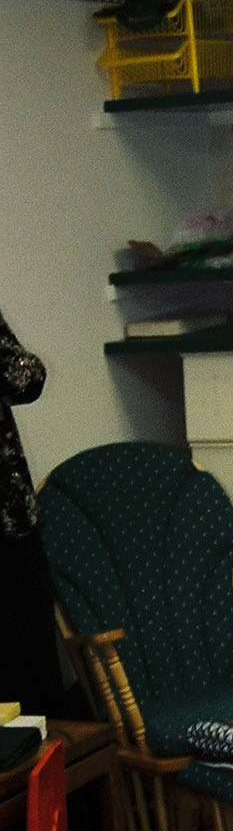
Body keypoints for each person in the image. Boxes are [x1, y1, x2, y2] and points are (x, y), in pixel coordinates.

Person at [0, 306, 68, 717]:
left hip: (11, 525)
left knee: (31, 666)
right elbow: (24, 376)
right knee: (28, 665)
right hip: (10, 527)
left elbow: (26, 380)